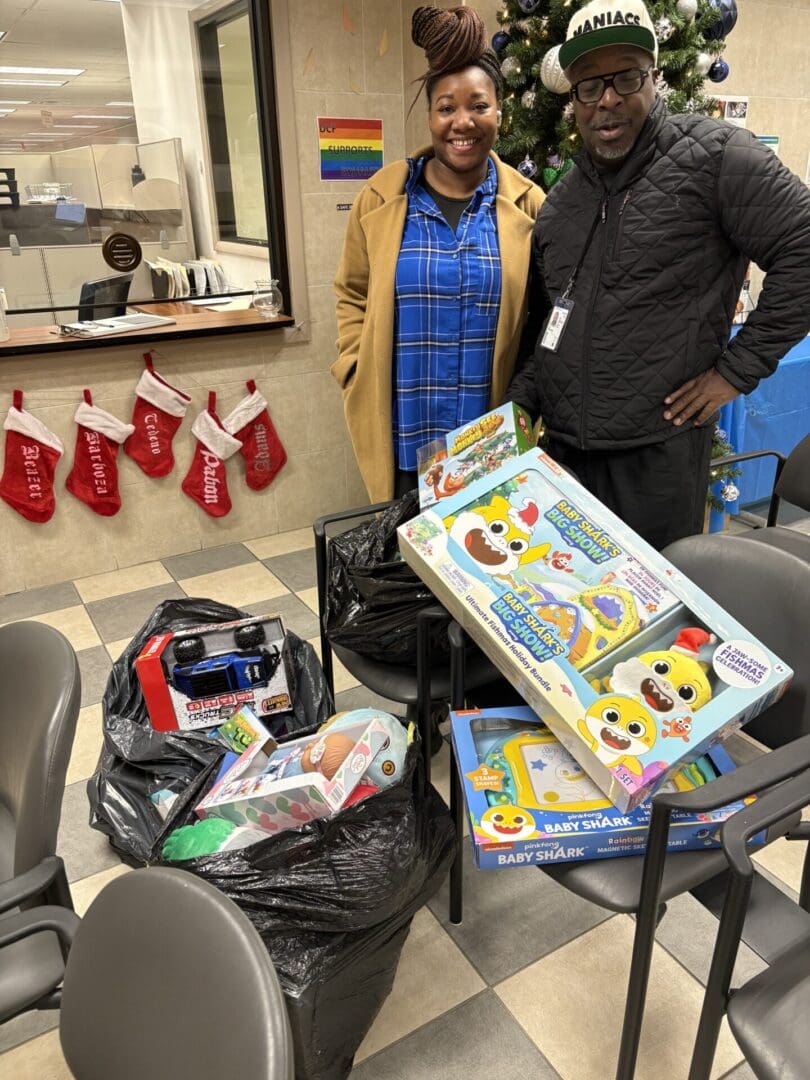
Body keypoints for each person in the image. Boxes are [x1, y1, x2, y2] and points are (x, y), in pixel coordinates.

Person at [507, 0, 810, 550]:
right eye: (589, 86)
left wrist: (736, 372)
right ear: (573, 99)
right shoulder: (560, 204)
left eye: (626, 77)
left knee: (653, 602)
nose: (608, 99)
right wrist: (518, 411)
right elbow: (547, 323)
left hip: (656, 466)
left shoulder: (716, 158)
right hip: (563, 462)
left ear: (654, 76)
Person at [333, 5, 544, 502]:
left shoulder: (530, 206)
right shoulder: (381, 199)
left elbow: (544, 315)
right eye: (446, 107)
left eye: (479, 105)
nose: (462, 122)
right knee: (403, 550)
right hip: (403, 435)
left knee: (483, 546)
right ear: (430, 116)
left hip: (490, 445)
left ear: (499, 112)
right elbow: (352, 292)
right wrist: (354, 367)